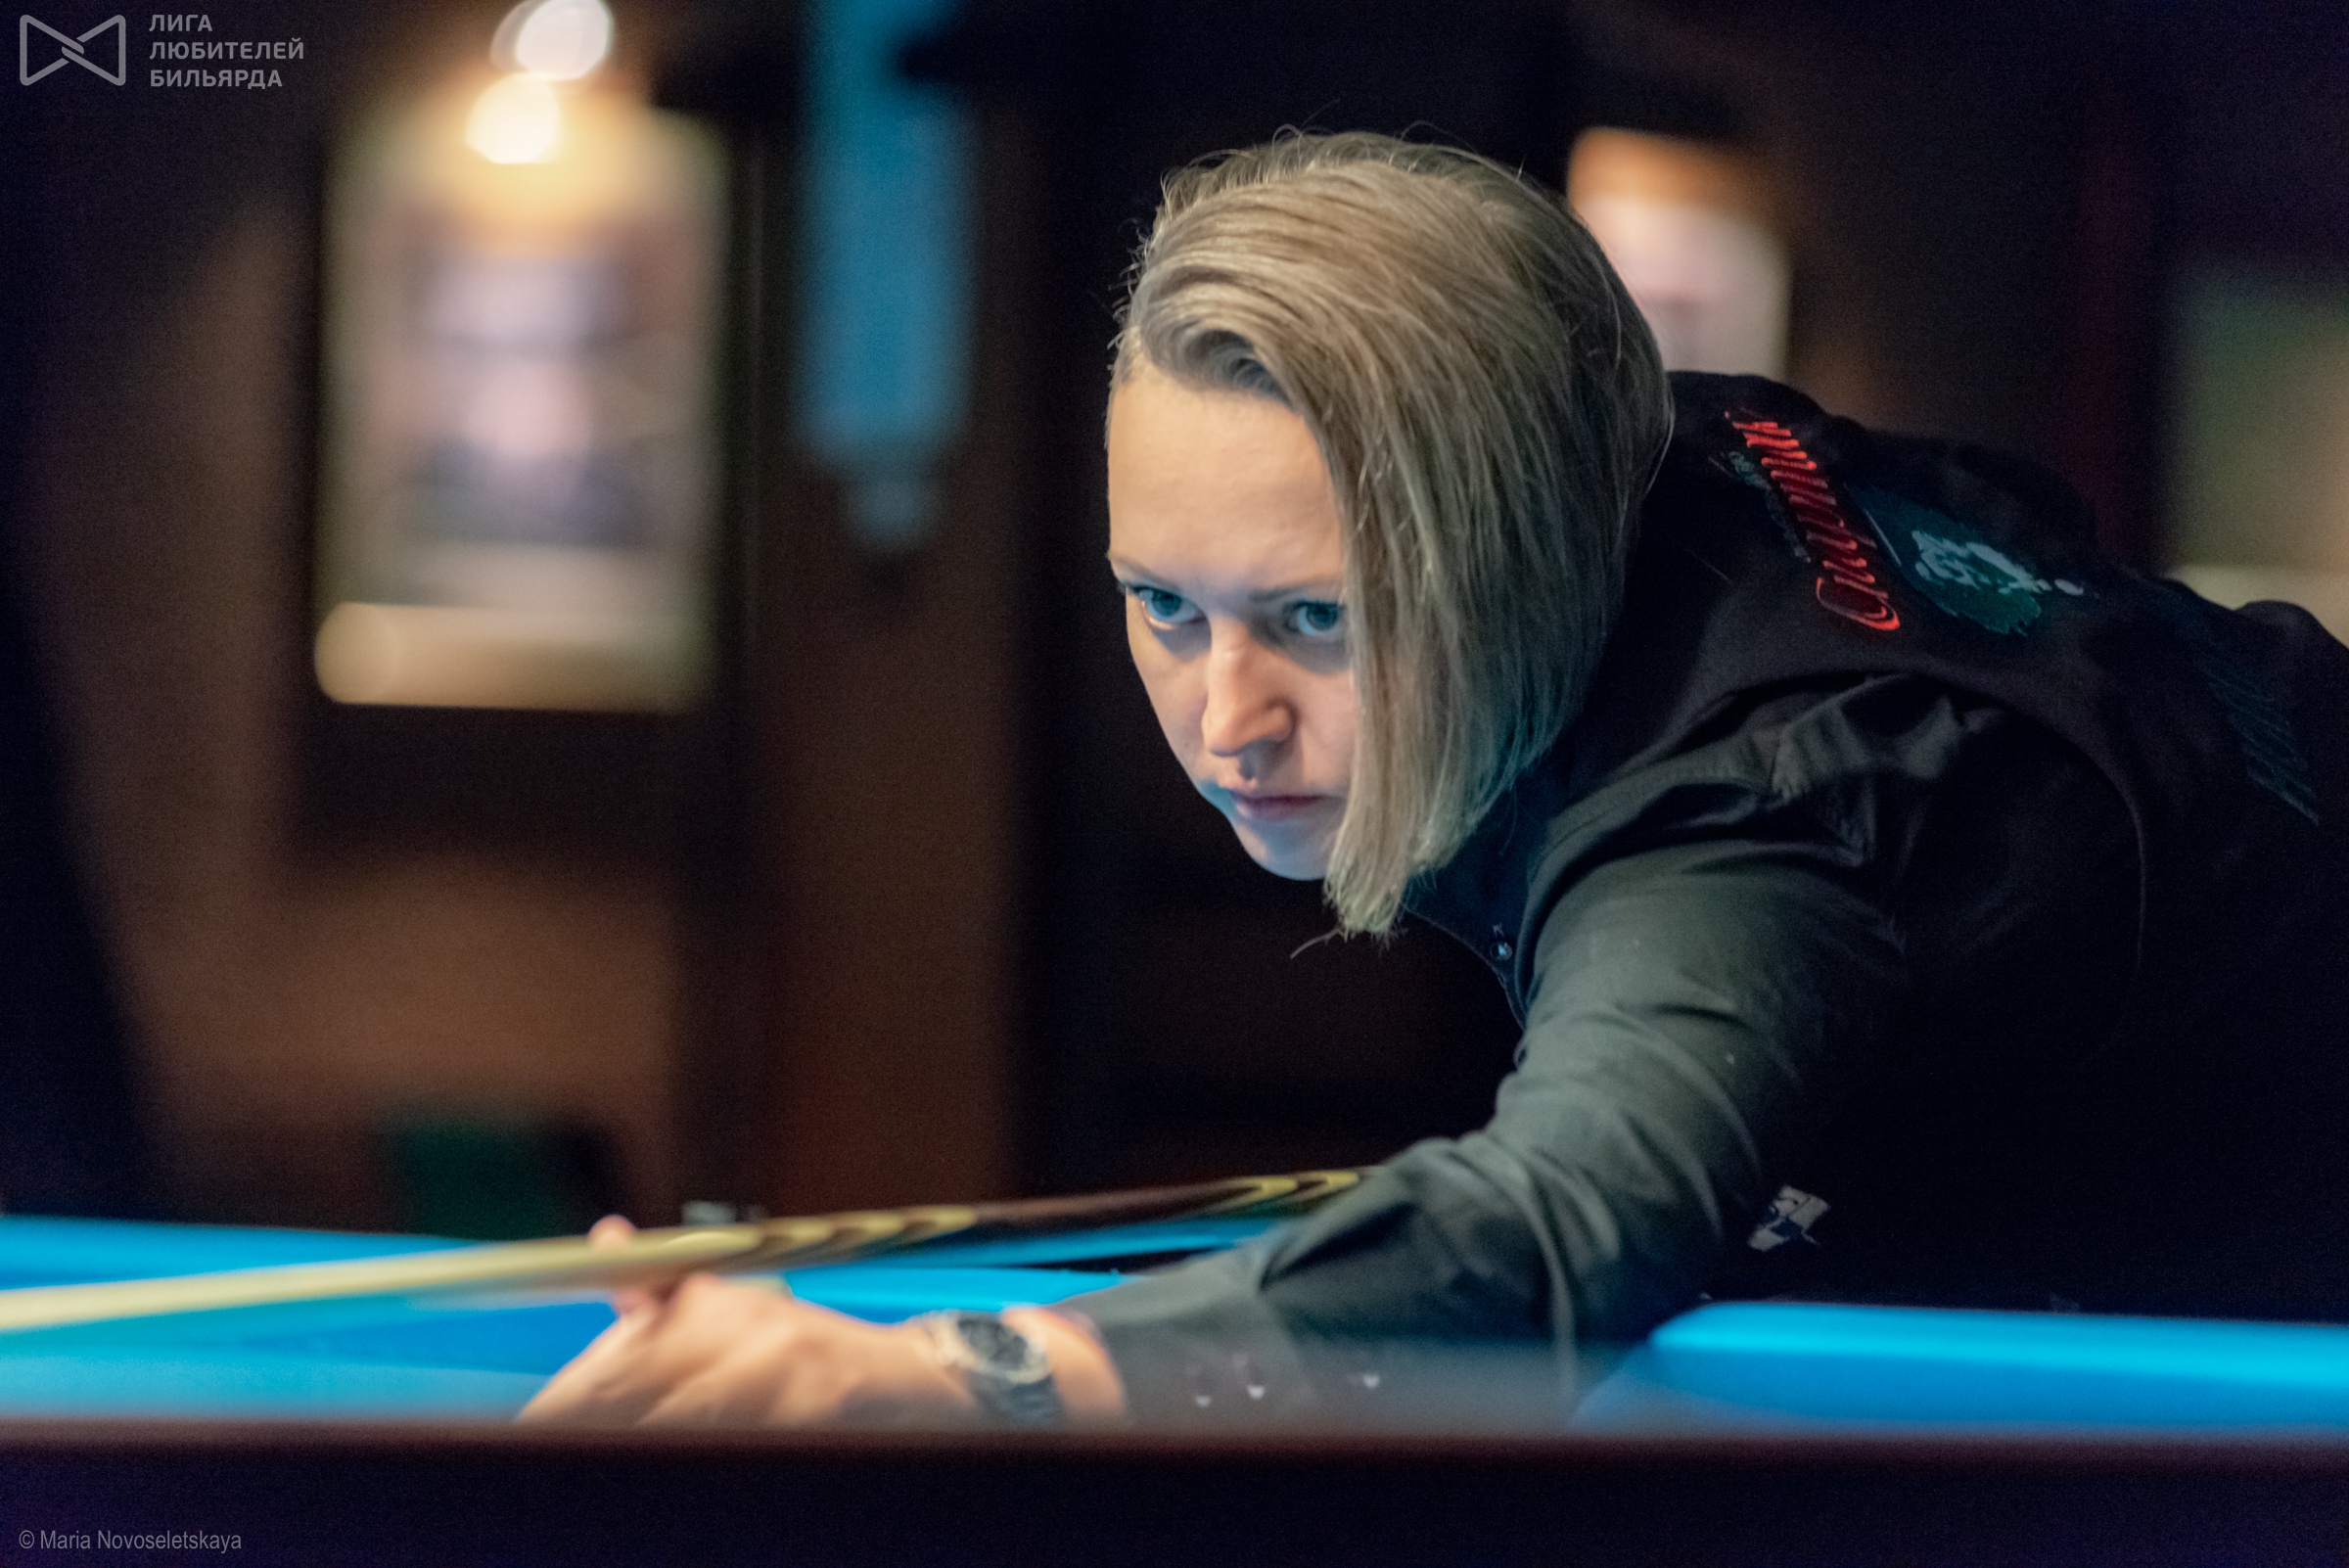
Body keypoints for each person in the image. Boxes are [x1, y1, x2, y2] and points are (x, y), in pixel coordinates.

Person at [521, 132, 2349, 1430]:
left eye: (1316, 617)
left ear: (1512, 551)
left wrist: (939, 1377)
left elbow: (1552, 1228)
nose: (1226, 720)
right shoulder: (1619, 433)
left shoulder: (1741, 827)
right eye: (1165, 604)